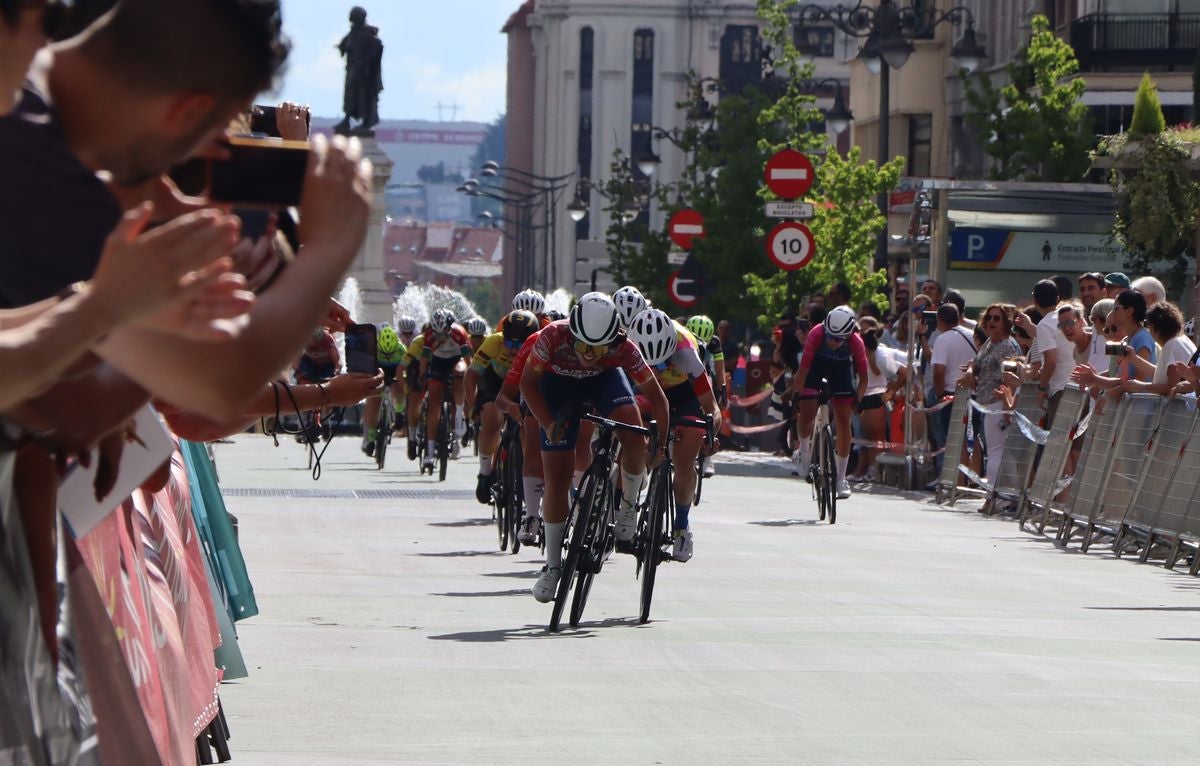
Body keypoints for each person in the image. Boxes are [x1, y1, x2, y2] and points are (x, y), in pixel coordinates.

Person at [519, 293, 669, 603]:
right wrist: (548, 423)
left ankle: (627, 507)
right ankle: (553, 567)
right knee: (557, 481)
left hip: (605, 382)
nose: (589, 354)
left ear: (613, 339)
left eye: (598, 348)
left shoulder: (624, 348)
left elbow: (659, 399)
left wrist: (659, 445)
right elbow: (527, 385)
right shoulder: (552, 337)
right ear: (572, 332)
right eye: (583, 345)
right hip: (557, 387)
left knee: (633, 433)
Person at [628, 309, 722, 562]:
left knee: (683, 462)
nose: (658, 369)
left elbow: (711, 406)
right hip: (647, 390)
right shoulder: (629, 348)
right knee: (630, 432)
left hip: (685, 394)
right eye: (651, 364)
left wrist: (710, 434)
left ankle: (681, 526)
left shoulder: (686, 353)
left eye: (662, 363)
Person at [790, 305, 868, 499]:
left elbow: (863, 377)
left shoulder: (856, 342)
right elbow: (803, 371)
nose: (832, 342)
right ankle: (805, 451)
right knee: (807, 410)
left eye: (838, 339)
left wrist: (858, 399)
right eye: (830, 337)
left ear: (848, 335)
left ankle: (841, 478)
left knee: (843, 421)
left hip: (840, 369)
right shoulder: (817, 334)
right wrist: (796, 396)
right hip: (815, 367)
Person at [464, 309, 538, 504]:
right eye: (509, 343)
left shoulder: (539, 345)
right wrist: (473, 406)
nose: (514, 350)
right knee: (492, 418)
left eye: (520, 344)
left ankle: (525, 480)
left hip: (523, 383)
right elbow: (471, 375)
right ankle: (485, 471)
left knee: (527, 429)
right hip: (495, 381)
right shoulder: (493, 342)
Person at [956, 303, 1020, 486]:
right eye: (989, 317)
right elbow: (974, 363)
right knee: (996, 451)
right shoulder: (989, 343)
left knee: (996, 452)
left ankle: (994, 495)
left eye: (997, 318)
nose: (992, 321)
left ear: (1006, 322)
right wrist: (970, 373)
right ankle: (1003, 495)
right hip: (987, 404)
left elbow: (1011, 376)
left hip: (999, 403)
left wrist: (1008, 406)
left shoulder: (1008, 346)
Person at [1075, 302, 1193, 396]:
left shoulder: (1171, 345)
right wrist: (1134, 359)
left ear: (1154, 326)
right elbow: (1159, 374)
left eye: (1147, 324)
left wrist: (1140, 386)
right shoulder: (1178, 341)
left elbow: (1172, 387)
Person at [849, 316, 905, 483]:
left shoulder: (880, 356)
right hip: (865, 395)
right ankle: (870, 470)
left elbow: (903, 373)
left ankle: (875, 472)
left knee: (876, 436)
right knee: (868, 436)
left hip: (877, 395)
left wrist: (890, 392)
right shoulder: (861, 357)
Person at [417, 308, 470, 471]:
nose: (440, 335)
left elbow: (468, 361)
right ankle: (430, 452)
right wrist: (421, 379)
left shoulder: (459, 333)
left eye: (444, 332)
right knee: (434, 402)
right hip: (438, 363)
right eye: (437, 333)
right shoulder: (429, 335)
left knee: (461, 372)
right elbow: (424, 361)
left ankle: (459, 413)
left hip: (456, 360)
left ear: (450, 327)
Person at [929, 304, 977, 473]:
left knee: (951, 438)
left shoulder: (942, 339)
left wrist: (940, 394)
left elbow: (938, 372)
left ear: (939, 320)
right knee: (972, 438)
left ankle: (951, 475)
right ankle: (971, 475)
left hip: (951, 394)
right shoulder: (972, 335)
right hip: (974, 393)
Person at [686, 314, 725, 477]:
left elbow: (719, 365)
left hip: (705, 374)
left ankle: (708, 456)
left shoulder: (715, 342)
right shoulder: (684, 339)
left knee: (713, 406)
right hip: (686, 372)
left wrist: (722, 388)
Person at [361, 324, 405, 457]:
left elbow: (407, 368)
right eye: (385, 353)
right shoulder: (373, 349)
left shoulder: (401, 349)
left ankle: (398, 413)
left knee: (399, 387)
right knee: (374, 401)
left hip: (394, 370)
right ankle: (371, 437)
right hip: (378, 371)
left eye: (390, 353)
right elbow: (365, 367)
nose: (388, 355)